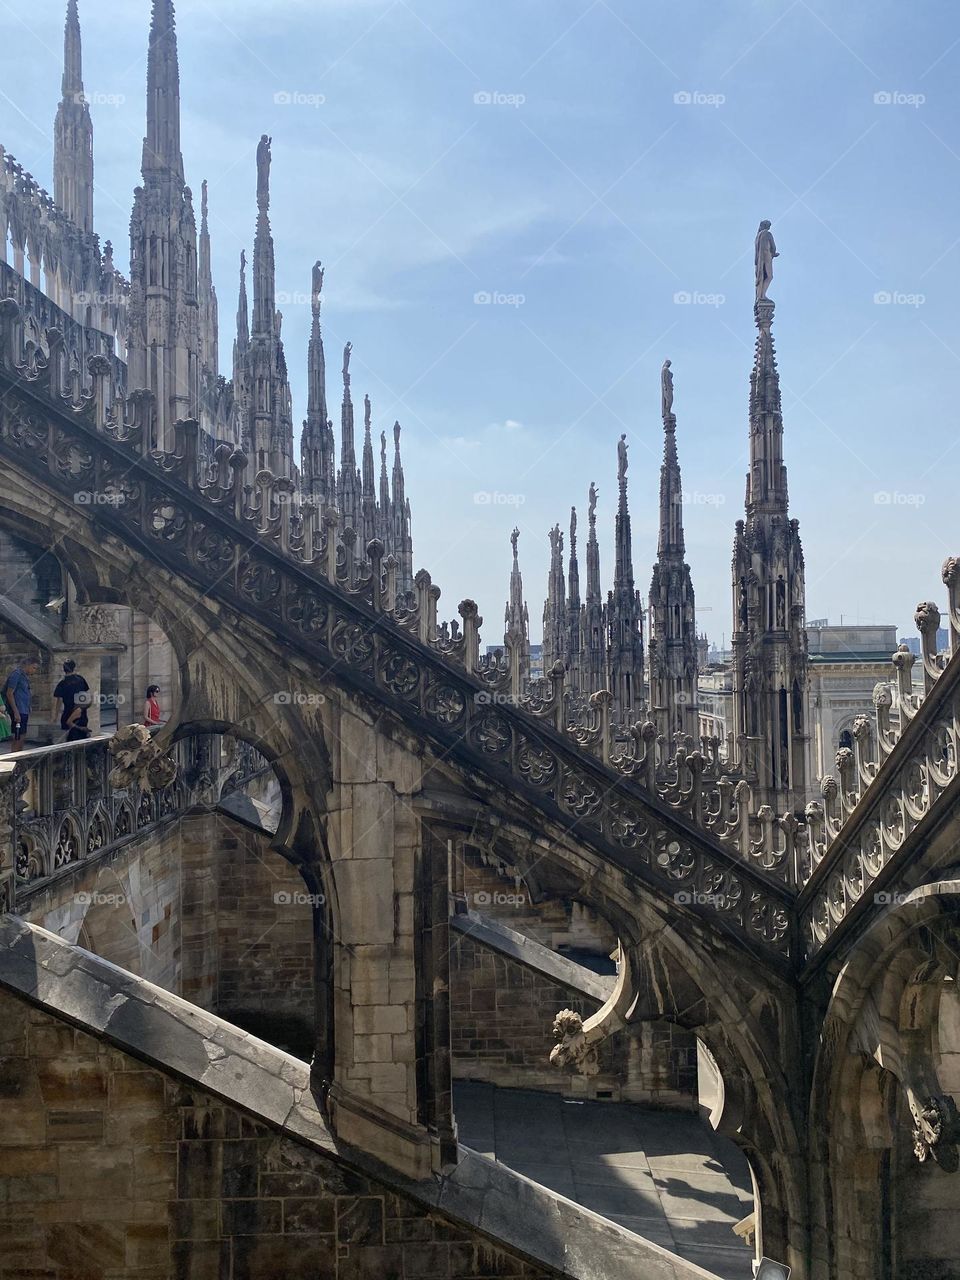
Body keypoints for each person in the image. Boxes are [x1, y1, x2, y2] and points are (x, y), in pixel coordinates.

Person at [3, 657, 39, 751]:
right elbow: (9, 693)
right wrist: (16, 712)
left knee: (22, 736)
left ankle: (19, 757)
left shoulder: (25, 677)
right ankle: (14, 758)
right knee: (17, 736)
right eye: (34, 668)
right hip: (18, 709)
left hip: (24, 709)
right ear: (28, 665)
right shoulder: (16, 675)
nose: (34, 671)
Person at [53, 659, 91, 742]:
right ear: (74, 668)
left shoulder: (62, 683)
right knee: (81, 738)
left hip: (68, 712)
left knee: (70, 740)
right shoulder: (81, 679)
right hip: (81, 713)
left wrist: (55, 716)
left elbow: (58, 701)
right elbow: (86, 696)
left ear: (64, 669)